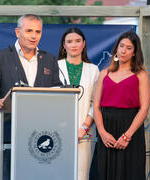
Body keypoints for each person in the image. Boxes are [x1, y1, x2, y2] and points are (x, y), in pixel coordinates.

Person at [0, 14, 61, 180]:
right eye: (29, 30)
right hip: (10, 133)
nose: (33, 35)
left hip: (42, 134)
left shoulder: (50, 60)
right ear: (17, 32)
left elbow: (57, 90)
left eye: (37, 31)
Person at [93, 31, 150, 180]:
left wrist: (127, 136)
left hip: (130, 129)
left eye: (129, 48)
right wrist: (102, 133)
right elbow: (96, 106)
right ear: (116, 48)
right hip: (107, 130)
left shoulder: (140, 74)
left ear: (134, 52)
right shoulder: (104, 73)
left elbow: (144, 109)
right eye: (121, 46)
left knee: (129, 172)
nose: (123, 50)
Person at [57, 27, 99, 180]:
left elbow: (96, 103)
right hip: (58, 131)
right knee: (58, 174)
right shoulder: (55, 67)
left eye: (77, 41)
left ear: (84, 44)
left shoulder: (93, 70)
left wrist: (83, 127)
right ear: (64, 45)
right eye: (69, 41)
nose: (73, 45)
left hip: (85, 133)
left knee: (81, 176)